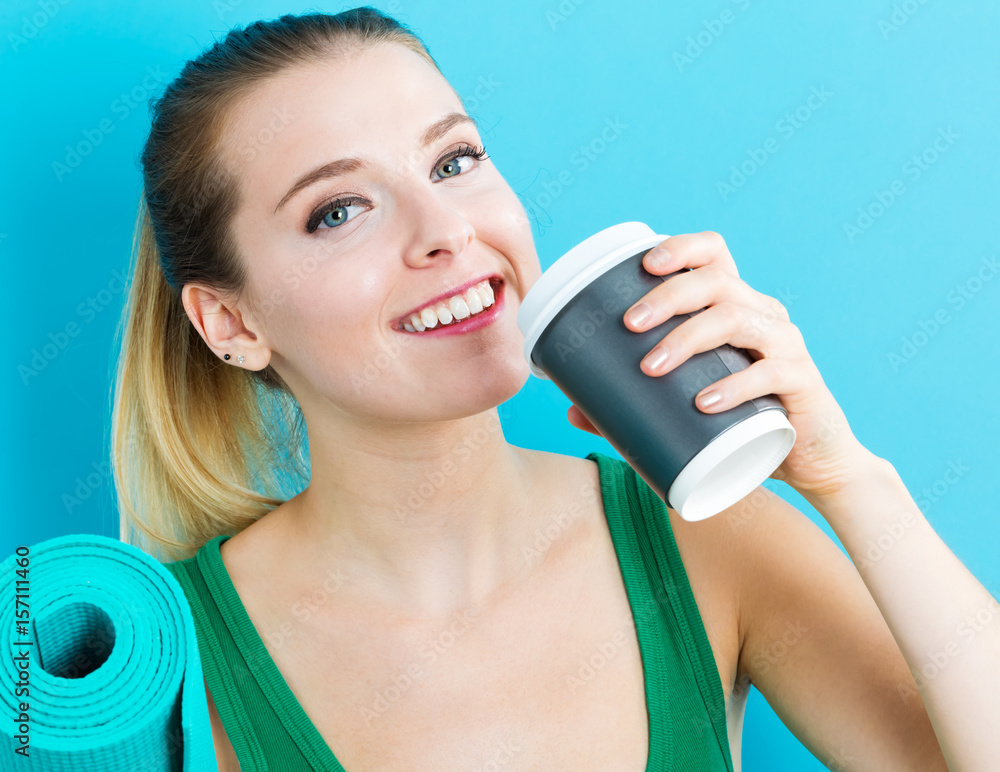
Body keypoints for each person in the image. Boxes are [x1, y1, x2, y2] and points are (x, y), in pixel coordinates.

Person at [110, 7, 997, 771]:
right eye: (338, 211)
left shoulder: (706, 540)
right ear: (230, 323)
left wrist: (849, 481)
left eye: (454, 161)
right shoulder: (162, 661)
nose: (449, 231)